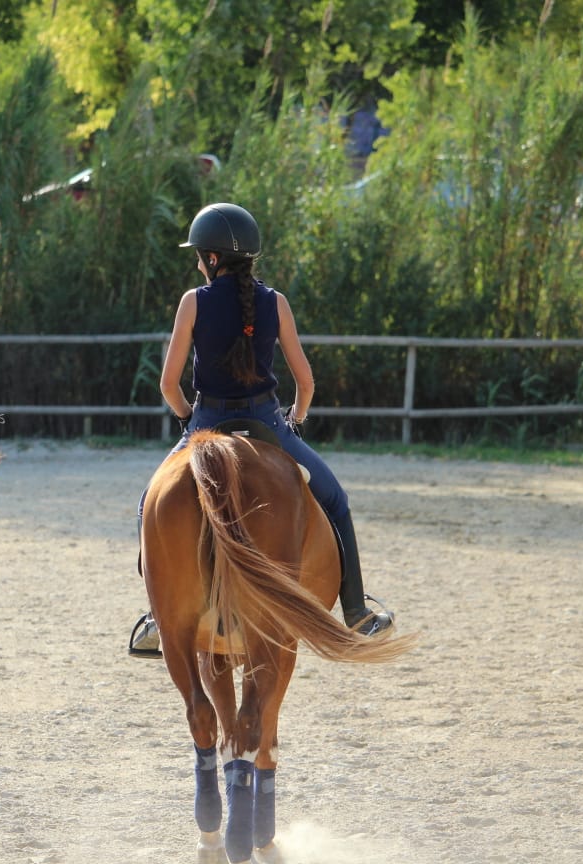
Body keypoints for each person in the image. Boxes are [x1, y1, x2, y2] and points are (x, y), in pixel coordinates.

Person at [128, 202, 393, 657]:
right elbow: (305, 383)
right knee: (335, 501)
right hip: (269, 423)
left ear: (212, 259)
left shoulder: (193, 302)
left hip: (207, 422)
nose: (197, 263)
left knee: (147, 506)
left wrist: (187, 418)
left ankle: (158, 615)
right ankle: (356, 612)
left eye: (198, 255)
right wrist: (296, 420)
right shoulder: (277, 303)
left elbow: (168, 384)